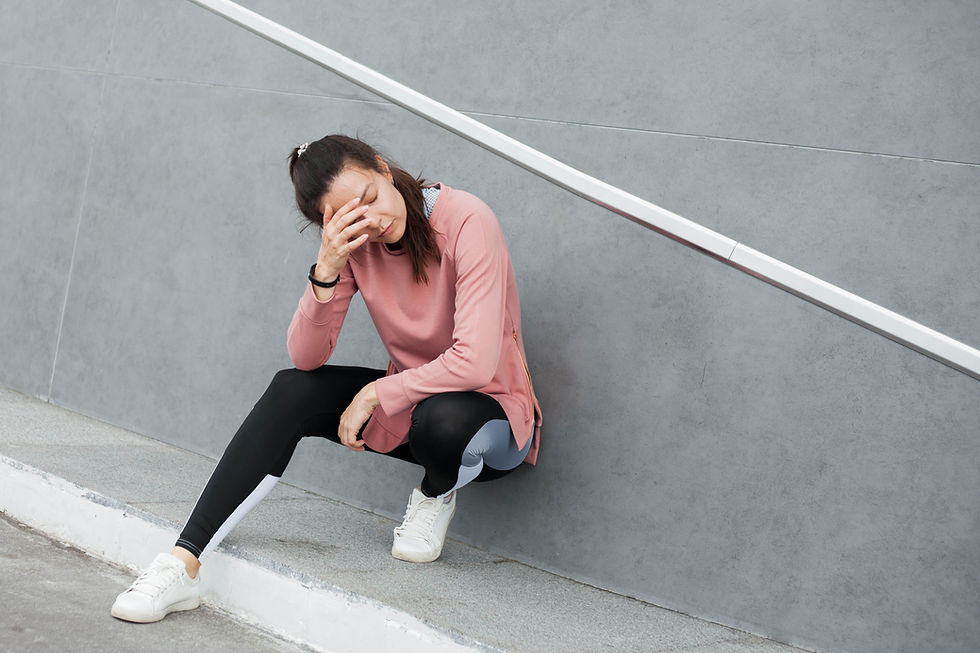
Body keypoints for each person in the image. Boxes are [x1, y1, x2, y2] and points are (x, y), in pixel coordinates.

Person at [110, 134, 542, 623]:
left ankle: (435, 491)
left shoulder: (467, 219)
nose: (375, 220)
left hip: (492, 421)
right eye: (352, 218)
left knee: (444, 419)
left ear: (381, 167)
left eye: (372, 198)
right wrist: (328, 268)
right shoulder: (359, 245)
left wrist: (378, 391)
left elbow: (476, 362)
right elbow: (306, 357)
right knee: (292, 389)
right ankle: (182, 563)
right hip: (414, 409)